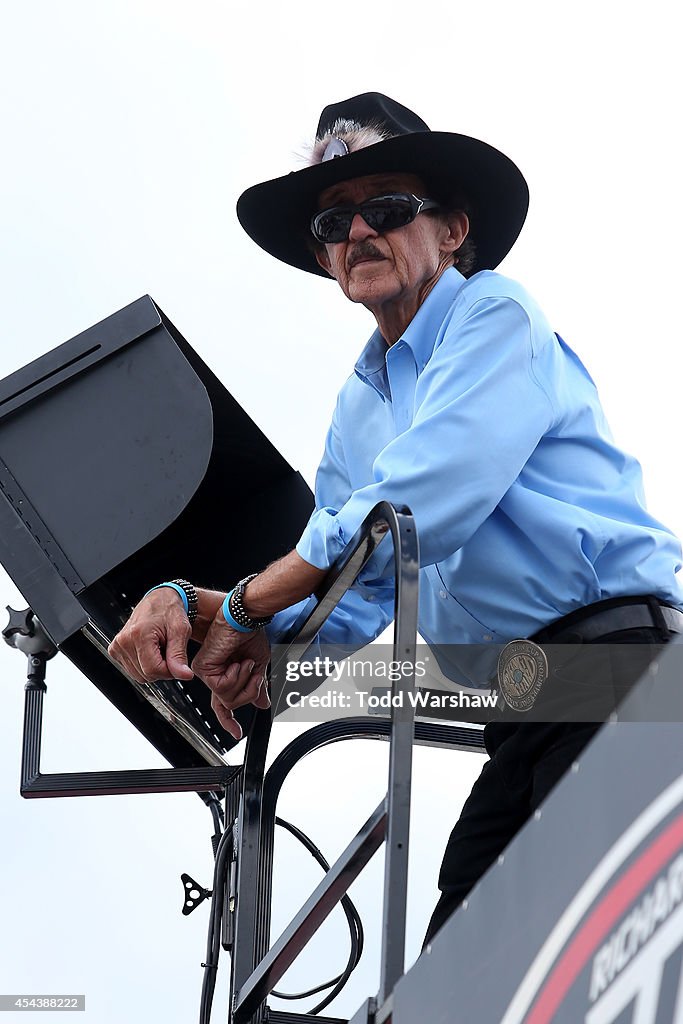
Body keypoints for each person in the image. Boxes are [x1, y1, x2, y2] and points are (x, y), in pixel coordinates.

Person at [108, 92, 683, 947]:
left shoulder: (495, 313)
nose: (356, 234)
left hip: (620, 676)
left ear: (450, 230)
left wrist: (242, 609)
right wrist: (204, 617)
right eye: (333, 221)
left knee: (581, 966)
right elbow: (350, 595)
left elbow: (418, 503)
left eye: (385, 208)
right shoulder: (357, 405)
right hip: (522, 713)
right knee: (457, 971)